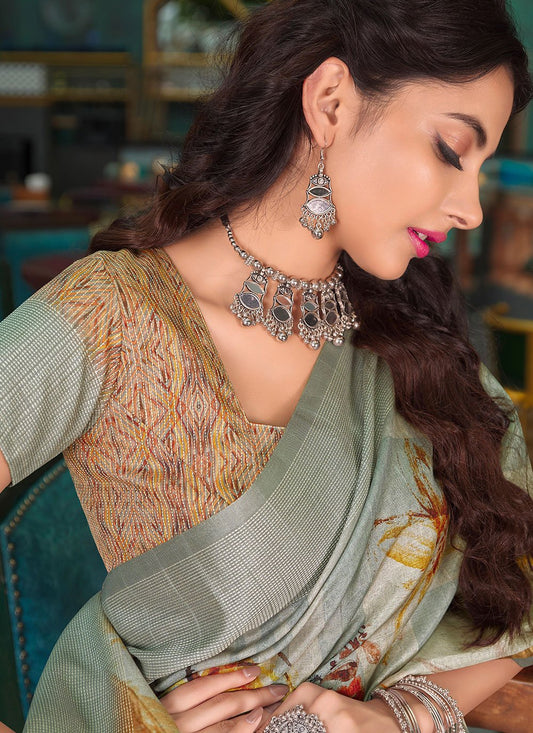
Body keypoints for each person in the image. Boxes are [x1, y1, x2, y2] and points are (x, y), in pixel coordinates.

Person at [1, 0, 533, 731]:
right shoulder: (116, 314)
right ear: (331, 102)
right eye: (451, 149)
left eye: (481, 167)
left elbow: (515, 585)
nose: (470, 207)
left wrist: (397, 716)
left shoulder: (419, 353)